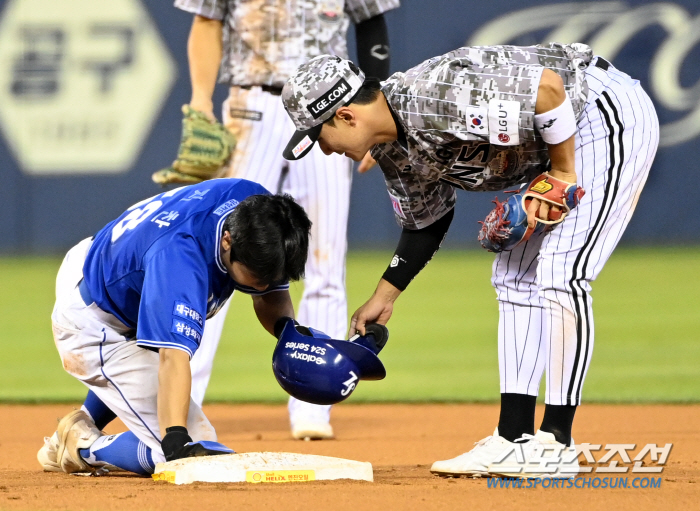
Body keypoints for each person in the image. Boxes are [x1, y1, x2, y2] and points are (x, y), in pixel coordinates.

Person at [279, 44, 659, 477]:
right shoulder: (391, 150)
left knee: (561, 271)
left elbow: (549, 90)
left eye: (319, 136)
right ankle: (512, 438)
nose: (324, 150)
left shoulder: (436, 94)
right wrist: (385, 295)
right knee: (513, 275)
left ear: (345, 115)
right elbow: (427, 221)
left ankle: (556, 441)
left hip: (599, 115)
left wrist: (562, 175)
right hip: (563, 143)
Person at [173, 0, 401, 440]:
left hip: (331, 114)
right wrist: (201, 97)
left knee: (325, 259)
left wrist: (376, 117)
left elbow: (372, 23)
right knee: (214, 256)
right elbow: (206, 19)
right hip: (251, 104)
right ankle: (181, 403)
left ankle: (315, 403)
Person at [37, 179, 311, 475]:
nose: (267, 284)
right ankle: (81, 447)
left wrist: (287, 333)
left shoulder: (258, 212)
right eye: (259, 276)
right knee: (192, 450)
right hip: (92, 326)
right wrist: (176, 438)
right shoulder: (180, 262)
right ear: (227, 241)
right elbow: (171, 358)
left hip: (103, 264)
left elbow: (270, 292)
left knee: (141, 368)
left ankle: (83, 420)